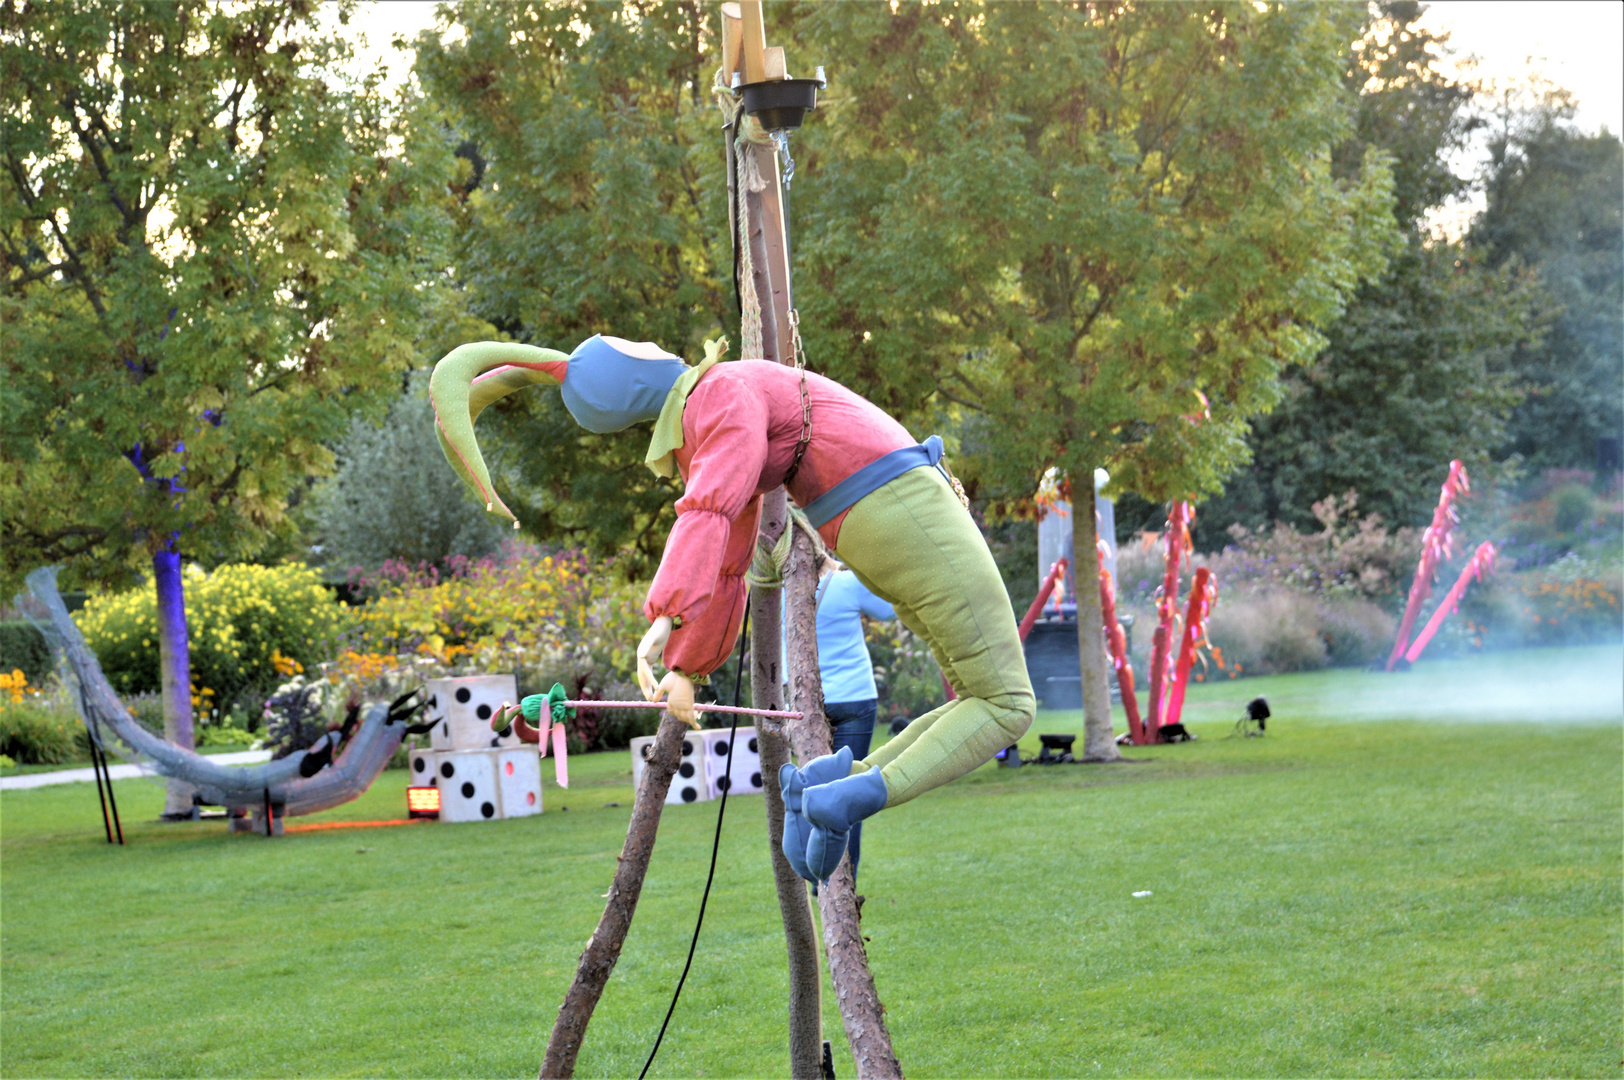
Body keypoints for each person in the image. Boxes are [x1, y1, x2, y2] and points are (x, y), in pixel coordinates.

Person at [430, 334, 1034, 883]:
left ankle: (829, 784)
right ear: (642, 353)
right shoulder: (723, 389)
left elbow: (726, 550)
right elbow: (711, 518)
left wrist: (687, 665)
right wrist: (668, 623)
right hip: (896, 504)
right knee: (1006, 705)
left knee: (975, 697)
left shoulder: (709, 418)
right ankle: (849, 797)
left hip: (862, 524)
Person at [800, 564, 895, 886]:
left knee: (808, 787)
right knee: (848, 792)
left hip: (804, 701)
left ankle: (813, 873)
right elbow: (890, 610)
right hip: (854, 698)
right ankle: (843, 881)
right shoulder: (846, 581)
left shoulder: (782, 589)